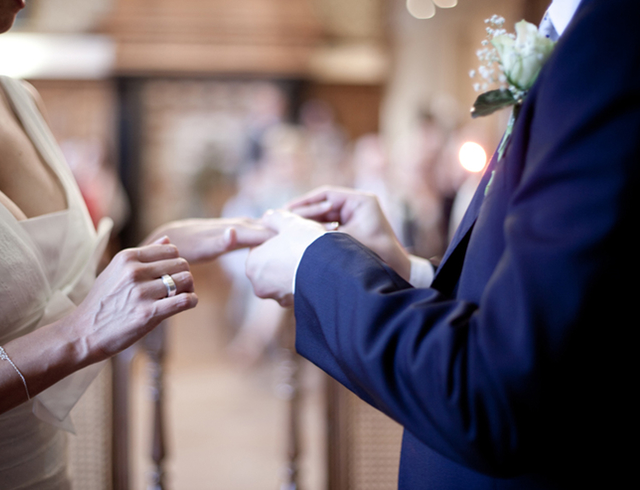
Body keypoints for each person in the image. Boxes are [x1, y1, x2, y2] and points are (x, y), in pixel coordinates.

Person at [246, 0, 636, 488]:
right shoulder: (590, 28)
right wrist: (412, 271)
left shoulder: (616, 34)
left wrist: (314, 266)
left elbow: (499, 389)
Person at [0, 0, 272, 487]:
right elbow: (68, 326)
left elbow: (38, 293)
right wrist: (75, 336)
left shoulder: (18, 100)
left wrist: (151, 251)